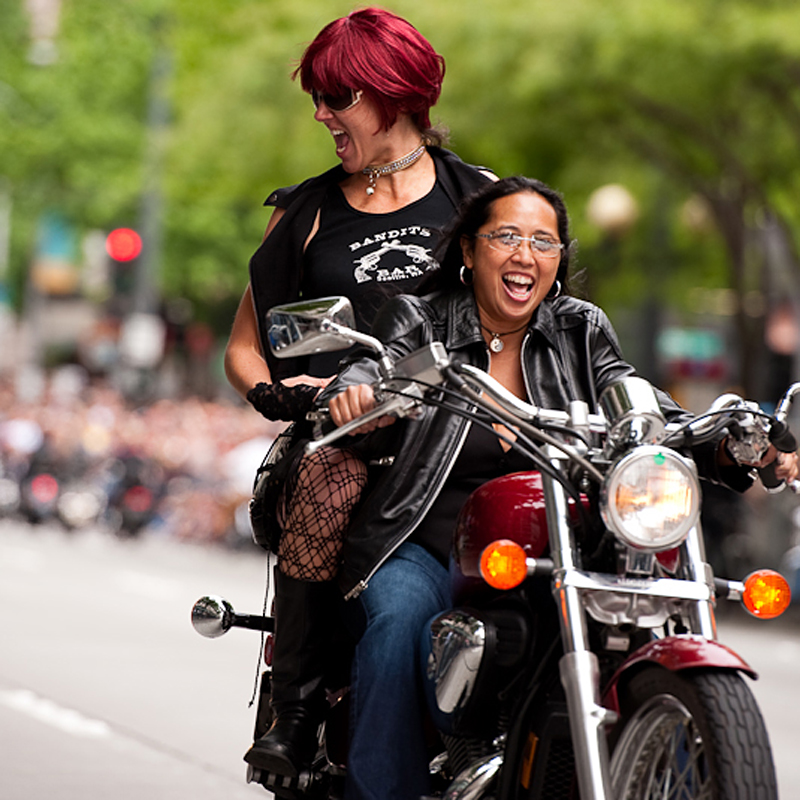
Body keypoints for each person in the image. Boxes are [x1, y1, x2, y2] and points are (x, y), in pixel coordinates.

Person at [315, 175, 799, 800]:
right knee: (397, 624)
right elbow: (374, 366)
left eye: (544, 242)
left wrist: (736, 441)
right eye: (507, 237)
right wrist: (359, 393)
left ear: (559, 260)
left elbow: (638, 401)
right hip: (427, 540)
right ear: (468, 249)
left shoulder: (579, 328)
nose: (526, 255)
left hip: (561, 538)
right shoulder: (424, 317)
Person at [223, 7, 494, 778]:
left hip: (461, 449)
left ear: (394, 92)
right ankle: (298, 701)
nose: (321, 113)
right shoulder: (305, 213)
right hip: (346, 446)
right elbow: (247, 346)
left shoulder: (480, 200)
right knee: (332, 489)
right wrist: (280, 398)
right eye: (319, 95)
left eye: (338, 96)